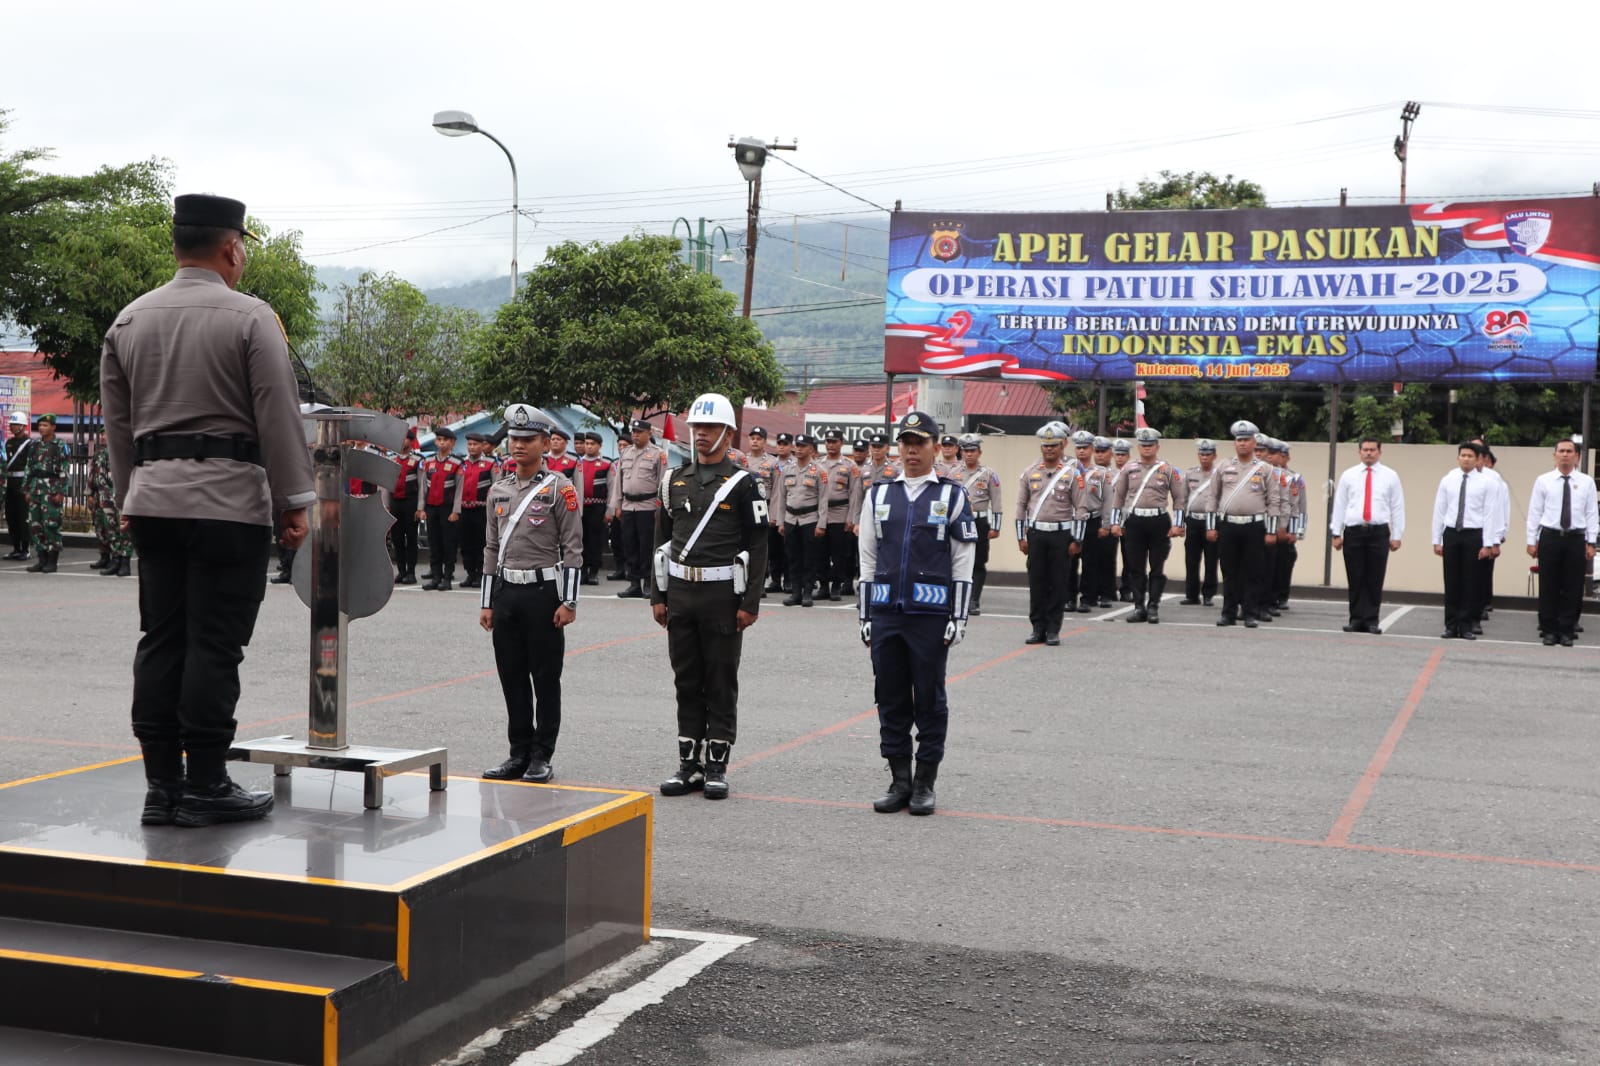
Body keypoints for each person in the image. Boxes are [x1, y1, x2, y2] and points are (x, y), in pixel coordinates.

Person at [101, 192, 315, 827]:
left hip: (154, 502)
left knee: (161, 637)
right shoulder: (251, 319)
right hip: (228, 504)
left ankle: (161, 788)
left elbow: (118, 428)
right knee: (214, 645)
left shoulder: (129, 320)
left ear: (177, 247)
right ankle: (207, 783)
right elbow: (278, 417)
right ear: (232, 248)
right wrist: (295, 502)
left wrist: (127, 496)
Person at [651, 393, 769, 800]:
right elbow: (660, 539)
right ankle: (689, 763)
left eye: (709, 428)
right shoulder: (674, 479)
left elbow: (758, 545)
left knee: (720, 678)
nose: (701, 435)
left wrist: (750, 602)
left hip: (722, 594)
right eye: (696, 428)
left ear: (727, 432)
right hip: (681, 592)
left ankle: (717, 762)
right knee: (686, 678)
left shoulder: (744, 483)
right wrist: (658, 595)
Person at [859, 410, 977, 817]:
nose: (912, 449)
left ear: (934, 446)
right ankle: (899, 781)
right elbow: (868, 559)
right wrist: (866, 616)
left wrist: (958, 617)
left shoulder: (951, 495)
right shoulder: (879, 494)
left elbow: (963, 561)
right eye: (906, 442)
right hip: (887, 613)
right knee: (890, 699)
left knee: (929, 700)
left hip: (930, 617)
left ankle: (925, 782)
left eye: (920, 442)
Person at [479, 404, 584, 782]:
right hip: (507, 593)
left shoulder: (561, 488)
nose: (519, 446)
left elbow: (573, 548)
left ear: (545, 443)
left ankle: (542, 754)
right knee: (511, 676)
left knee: (544, 676)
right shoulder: (498, 489)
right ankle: (518, 752)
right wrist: (487, 602)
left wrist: (568, 601)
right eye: (514, 439)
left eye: (527, 440)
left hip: (543, 594)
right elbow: (491, 548)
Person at [1108, 427, 1186, 624]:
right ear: (1138, 446)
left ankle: (1153, 606)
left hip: (1159, 521)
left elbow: (1179, 498)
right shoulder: (1129, 468)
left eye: (1150, 445)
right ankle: (1139, 607)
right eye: (1143, 445)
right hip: (1134, 521)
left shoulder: (1167, 469)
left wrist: (1178, 524)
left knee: (1157, 567)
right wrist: (1115, 523)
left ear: (1157, 446)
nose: (1146, 448)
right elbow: (1118, 497)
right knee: (1136, 567)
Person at [1208, 421, 1282, 628]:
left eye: (1246, 440)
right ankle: (1228, 613)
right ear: (1234, 443)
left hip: (1254, 526)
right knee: (1229, 571)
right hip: (1228, 526)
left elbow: (1274, 500)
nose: (1242, 444)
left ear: (1253, 442)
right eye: (1239, 440)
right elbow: (1212, 497)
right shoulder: (1223, 466)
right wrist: (1211, 526)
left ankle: (1250, 613)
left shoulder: (1265, 469)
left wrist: (1272, 530)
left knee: (1253, 571)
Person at [1525, 438, 1597, 647]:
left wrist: (1591, 541)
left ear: (1576, 457)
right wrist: (1532, 540)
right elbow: (1535, 512)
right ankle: (1549, 630)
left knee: (1572, 585)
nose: (1565, 454)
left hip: (1575, 538)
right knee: (1549, 584)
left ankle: (1566, 630)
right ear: (1554, 455)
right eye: (1561, 451)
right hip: (1550, 537)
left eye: (1569, 451)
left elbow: (1592, 513)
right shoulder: (1543, 481)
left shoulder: (1586, 482)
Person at [1015, 421, 1081, 646]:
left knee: (1058, 583)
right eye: (1045, 445)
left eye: (1053, 445)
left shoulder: (1072, 474)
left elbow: (1080, 509)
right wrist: (1020, 537)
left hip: (1061, 536)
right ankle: (1037, 627)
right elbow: (1020, 507)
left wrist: (1077, 539)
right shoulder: (1029, 473)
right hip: (1036, 535)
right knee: (1037, 582)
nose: (1049, 449)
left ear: (1062, 446)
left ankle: (1053, 629)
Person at [1330, 437, 1405, 634]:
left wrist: (1397, 534)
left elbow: (1397, 506)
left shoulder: (1390, 476)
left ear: (1379, 452)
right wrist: (1335, 532)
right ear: (1359, 452)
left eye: (1372, 449)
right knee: (1355, 577)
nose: (1369, 453)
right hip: (1354, 531)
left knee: (1374, 577)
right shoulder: (1349, 475)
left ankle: (1371, 620)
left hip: (1378, 532)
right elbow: (1340, 505)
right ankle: (1356, 619)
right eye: (1365, 449)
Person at [1432, 442, 1498, 640]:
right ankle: (1451, 625)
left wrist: (1488, 543)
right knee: (1452, 581)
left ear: (1478, 459)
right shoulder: (1448, 480)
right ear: (1458, 457)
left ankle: (1467, 624)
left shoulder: (1487, 483)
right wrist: (1436, 539)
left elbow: (1489, 514)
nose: (1466, 459)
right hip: (1452, 533)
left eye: (1470, 456)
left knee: (1471, 582)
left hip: (1474, 534)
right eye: (1463, 455)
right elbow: (1440, 510)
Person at [609, 419, 668, 599]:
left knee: (647, 546)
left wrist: (660, 510)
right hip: (628, 505)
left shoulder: (658, 454)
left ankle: (648, 583)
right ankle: (634, 583)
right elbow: (619, 481)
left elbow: (662, 484)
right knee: (630, 545)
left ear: (648, 434)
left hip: (647, 506)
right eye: (633, 431)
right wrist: (616, 505)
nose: (635, 434)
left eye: (639, 432)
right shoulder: (626, 452)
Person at [955, 433, 1002, 614]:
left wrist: (996, 526)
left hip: (980, 522)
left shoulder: (989, 474)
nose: (969, 454)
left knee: (978, 561)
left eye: (972, 450)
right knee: (957, 560)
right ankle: (959, 598)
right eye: (966, 451)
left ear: (979, 452)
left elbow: (996, 501)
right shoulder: (954, 473)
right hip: (959, 521)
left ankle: (974, 600)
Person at [779, 434, 827, 606]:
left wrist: (821, 524)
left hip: (810, 519)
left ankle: (807, 592)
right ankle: (795, 592)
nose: (798, 449)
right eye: (797, 445)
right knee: (793, 558)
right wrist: (780, 522)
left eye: (802, 446)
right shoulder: (787, 470)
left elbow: (823, 499)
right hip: (791, 519)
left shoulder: (820, 471)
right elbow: (781, 498)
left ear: (811, 449)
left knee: (809, 558)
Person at [416, 427, 464, 591]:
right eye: (439, 440)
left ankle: (447, 577)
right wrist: (421, 508)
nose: (442, 443)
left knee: (449, 544)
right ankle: (435, 577)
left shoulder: (457, 463)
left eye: (445, 440)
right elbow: (423, 487)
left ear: (452, 443)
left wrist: (456, 511)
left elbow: (459, 489)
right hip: (431, 508)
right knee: (434, 543)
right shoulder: (428, 462)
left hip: (448, 509)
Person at [817, 429, 861, 600]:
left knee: (839, 553)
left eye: (834, 441)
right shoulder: (818, 463)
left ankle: (836, 586)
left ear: (841, 443)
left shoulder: (850, 466)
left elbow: (854, 494)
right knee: (820, 552)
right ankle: (823, 586)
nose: (830, 444)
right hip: (822, 514)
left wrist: (851, 518)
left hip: (840, 513)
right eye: (828, 441)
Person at [23, 413, 69, 574]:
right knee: (35, 524)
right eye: (40, 425)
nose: (42, 428)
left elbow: (64, 470)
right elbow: (29, 468)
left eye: (45, 425)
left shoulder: (59, 446)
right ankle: (41, 559)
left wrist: (61, 492)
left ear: (53, 427)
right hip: (36, 488)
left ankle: (52, 560)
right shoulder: (34, 445)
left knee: (51, 524)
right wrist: (27, 488)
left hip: (52, 488)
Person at [743, 426, 785, 595]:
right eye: (752, 438)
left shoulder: (773, 463)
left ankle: (761, 583)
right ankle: (746, 581)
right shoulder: (742, 461)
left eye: (759, 438)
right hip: (746, 507)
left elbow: (777, 491)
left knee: (764, 547)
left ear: (765, 442)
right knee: (746, 546)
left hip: (765, 506)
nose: (755, 441)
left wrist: (774, 514)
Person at [1268, 440, 1307, 613]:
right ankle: (1268, 598)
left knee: (1284, 562)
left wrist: (1296, 531)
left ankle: (1281, 596)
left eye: (1283, 456)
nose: (1279, 458)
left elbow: (1299, 507)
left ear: (1287, 458)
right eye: (1276, 454)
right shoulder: (1266, 474)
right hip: (1267, 527)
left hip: (1285, 528)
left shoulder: (1294, 478)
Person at [1180, 439, 1220, 606]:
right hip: (1194, 521)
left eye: (1208, 454)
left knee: (1211, 559)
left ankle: (1209, 594)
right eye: (1202, 454)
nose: (1204, 457)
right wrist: (1180, 521)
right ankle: (1191, 594)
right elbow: (1182, 498)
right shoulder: (1190, 474)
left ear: (1214, 456)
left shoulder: (1220, 475)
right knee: (1191, 559)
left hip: (1212, 522)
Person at [458, 433, 499, 589]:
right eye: (469, 444)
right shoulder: (462, 463)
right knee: (466, 543)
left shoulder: (491, 463)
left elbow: (496, 487)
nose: (472, 447)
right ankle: (470, 573)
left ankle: (482, 574)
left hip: (482, 509)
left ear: (482, 446)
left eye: (475, 445)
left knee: (481, 542)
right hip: (464, 509)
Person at [573, 431, 612, 585]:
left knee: (595, 540)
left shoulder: (606, 464)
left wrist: (610, 509)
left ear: (599, 446)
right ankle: (582, 571)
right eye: (586, 443)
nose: (588, 447)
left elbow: (611, 487)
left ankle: (594, 571)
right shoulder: (578, 463)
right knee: (580, 539)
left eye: (592, 444)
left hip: (598, 507)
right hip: (581, 507)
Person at [89, 441, 133, 576]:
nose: (103, 436)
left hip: (120, 494)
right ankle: (114, 559)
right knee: (109, 528)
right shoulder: (99, 454)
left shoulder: (124, 451)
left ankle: (125, 562)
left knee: (123, 529)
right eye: (102, 434)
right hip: (103, 496)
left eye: (105, 434)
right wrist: (89, 492)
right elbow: (93, 474)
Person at [389, 428, 422, 584]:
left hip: (411, 501)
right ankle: (401, 571)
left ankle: (411, 572)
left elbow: (422, 485)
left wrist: (420, 507)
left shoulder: (417, 460)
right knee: (397, 538)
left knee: (411, 537)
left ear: (411, 441)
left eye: (405, 439)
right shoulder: (391, 458)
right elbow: (386, 484)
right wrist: (387, 505)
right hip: (395, 501)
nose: (402, 442)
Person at [3, 410, 32, 559]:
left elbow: (30, 466)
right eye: (11, 424)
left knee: (22, 517)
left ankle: (25, 549)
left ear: (22, 426)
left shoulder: (29, 444)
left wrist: (28, 488)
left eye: (15, 424)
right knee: (11, 516)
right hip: (10, 483)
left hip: (22, 483)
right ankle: (15, 547)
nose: (12, 427)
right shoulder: (9, 443)